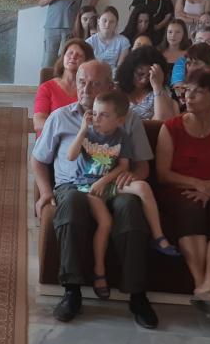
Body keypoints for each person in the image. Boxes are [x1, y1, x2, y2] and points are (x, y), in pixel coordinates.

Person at [32, 60, 160, 329]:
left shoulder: (128, 119)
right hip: (72, 185)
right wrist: (44, 192)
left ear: (110, 86)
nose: (86, 89)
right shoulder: (61, 117)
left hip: (113, 187)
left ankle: (137, 294)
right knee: (71, 204)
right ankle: (71, 291)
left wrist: (132, 177)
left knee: (130, 208)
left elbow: (143, 165)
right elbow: (39, 159)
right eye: (81, 82)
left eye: (95, 84)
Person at [65, 91, 180, 299]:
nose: (97, 119)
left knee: (143, 187)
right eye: (95, 113)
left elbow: (124, 166)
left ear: (119, 120)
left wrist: (105, 181)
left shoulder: (122, 137)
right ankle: (99, 272)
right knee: (106, 223)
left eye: (104, 115)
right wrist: (82, 130)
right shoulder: (88, 134)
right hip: (87, 187)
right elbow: (71, 156)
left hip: (108, 184)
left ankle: (158, 237)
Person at [154, 68, 210, 319]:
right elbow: (163, 174)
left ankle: (208, 286)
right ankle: (201, 285)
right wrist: (197, 183)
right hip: (179, 189)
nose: (189, 97)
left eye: (198, 92)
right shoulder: (171, 127)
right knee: (191, 207)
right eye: (187, 90)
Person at [33, 38, 92, 135]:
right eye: (70, 53)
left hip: (83, 138)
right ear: (63, 57)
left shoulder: (90, 89)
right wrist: (68, 131)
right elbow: (38, 123)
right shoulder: (46, 88)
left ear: (87, 62)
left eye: (79, 55)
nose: (73, 56)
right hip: (52, 138)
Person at [115, 45, 175, 122]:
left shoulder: (160, 90)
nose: (144, 80)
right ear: (130, 71)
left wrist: (157, 86)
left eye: (150, 75)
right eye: (140, 74)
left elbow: (163, 122)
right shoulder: (117, 88)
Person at [85, 6, 129, 76]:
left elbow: (120, 67)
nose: (107, 24)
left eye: (112, 22)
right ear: (98, 21)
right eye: (104, 21)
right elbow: (87, 66)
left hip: (114, 77)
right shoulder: (89, 42)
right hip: (94, 75)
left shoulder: (123, 41)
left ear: (116, 24)